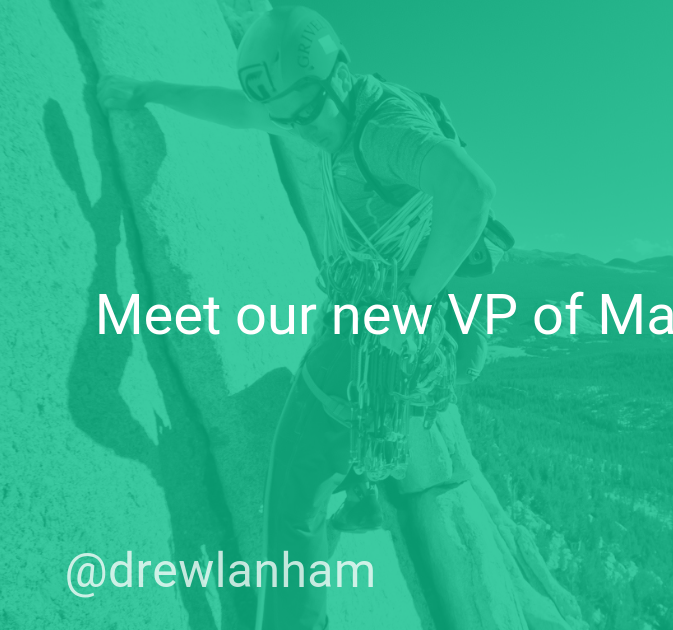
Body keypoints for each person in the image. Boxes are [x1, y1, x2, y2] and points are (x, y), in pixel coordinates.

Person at [97, 7, 522, 630]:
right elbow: (243, 111)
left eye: (306, 114)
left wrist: (410, 302)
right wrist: (149, 90)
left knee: (292, 499)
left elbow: (473, 191)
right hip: (397, 337)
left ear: (340, 74)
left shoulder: (380, 132)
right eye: (290, 118)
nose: (302, 129)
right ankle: (355, 499)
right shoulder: (322, 102)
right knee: (339, 442)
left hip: (373, 341)